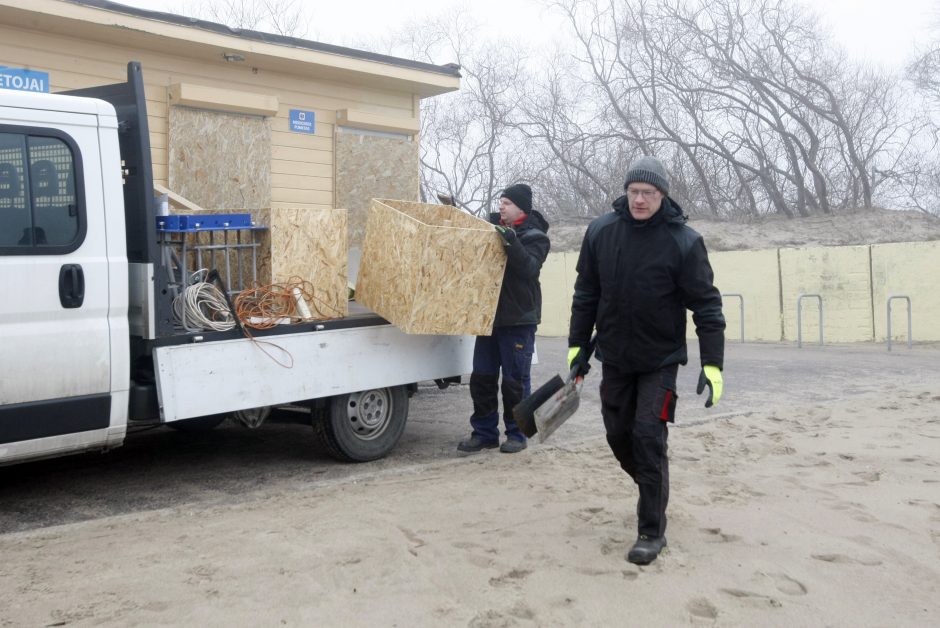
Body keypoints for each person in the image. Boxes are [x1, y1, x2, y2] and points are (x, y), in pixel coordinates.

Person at [567, 156, 725, 565]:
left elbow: (707, 306)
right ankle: (652, 485)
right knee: (618, 435)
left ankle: (651, 531)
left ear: (663, 196)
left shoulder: (683, 241)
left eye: (648, 193)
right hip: (615, 356)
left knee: (648, 437)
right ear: (626, 192)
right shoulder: (601, 232)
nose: (640, 200)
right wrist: (577, 346)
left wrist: (713, 363)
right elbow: (586, 293)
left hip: (660, 359)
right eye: (634, 192)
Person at [458, 183, 550, 454]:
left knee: (515, 381)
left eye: (507, 203)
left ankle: (517, 434)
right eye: (500, 201)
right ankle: (484, 433)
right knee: (482, 379)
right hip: (489, 318)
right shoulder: (492, 231)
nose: (501, 206)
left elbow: (529, 268)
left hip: (518, 320)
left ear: (521, 208)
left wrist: (511, 240)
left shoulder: (536, 237)